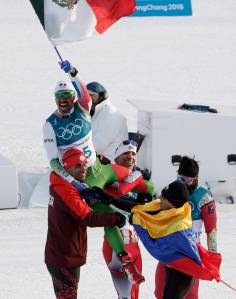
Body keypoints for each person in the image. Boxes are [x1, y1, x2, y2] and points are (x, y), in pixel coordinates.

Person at [43, 60, 145, 285]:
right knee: (106, 215)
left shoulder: (83, 108)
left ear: (73, 99)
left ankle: (155, 199)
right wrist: (75, 183)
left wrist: (73, 73)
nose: (62, 101)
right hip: (86, 177)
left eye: (67, 97)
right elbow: (53, 161)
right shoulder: (50, 124)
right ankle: (125, 260)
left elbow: (84, 92)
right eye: (58, 97)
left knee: (135, 176)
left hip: (100, 167)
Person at [99, 181, 205, 299]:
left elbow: (156, 247)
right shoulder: (171, 207)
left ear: (171, 203)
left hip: (183, 275)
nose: (160, 198)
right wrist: (109, 199)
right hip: (172, 266)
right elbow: (138, 208)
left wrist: (135, 221)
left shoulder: (177, 230)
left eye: (164, 197)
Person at [45, 148, 124, 299]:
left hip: (62, 254)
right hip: (64, 258)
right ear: (67, 168)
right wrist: (116, 218)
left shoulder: (60, 183)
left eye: (84, 165)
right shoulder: (67, 191)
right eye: (78, 166)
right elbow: (89, 218)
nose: (83, 170)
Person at [154, 156, 218, 299]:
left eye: (187, 180)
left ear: (195, 179)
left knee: (190, 296)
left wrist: (212, 258)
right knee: (160, 293)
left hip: (190, 252)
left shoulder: (203, 197)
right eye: (180, 178)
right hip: (170, 250)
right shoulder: (170, 190)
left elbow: (211, 231)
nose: (182, 183)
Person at [102, 140, 154, 299]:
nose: (130, 157)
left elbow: (149, 200)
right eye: (125, 153)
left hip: (135, 244)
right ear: (116, 159)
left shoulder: (142, 184)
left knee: (133, 294)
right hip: (116, 245)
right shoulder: (108, 180)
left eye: (133, 154)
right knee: (126, 295)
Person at [86, 81, 128, 162]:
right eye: (86, 95)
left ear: (102, 96)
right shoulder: (97, 112)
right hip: (98, 160)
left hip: (109, 164)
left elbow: (97, 145)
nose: (88, 98)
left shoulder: (111, 114)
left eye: (92, 95)